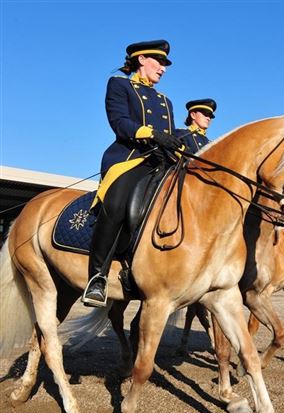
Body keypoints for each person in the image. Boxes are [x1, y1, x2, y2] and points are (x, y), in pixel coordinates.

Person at [82, 40, 181, 307]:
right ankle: (98, 277)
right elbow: (119, 122)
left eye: (164, 65)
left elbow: (169, 136)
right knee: (117, 203)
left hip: (162, 161)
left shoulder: (165, 101)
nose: (163, 69)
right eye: (159, 63)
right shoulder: (120, 85)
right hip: (129, 158)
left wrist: (176, 146)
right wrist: (151, 134)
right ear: (141, 60)